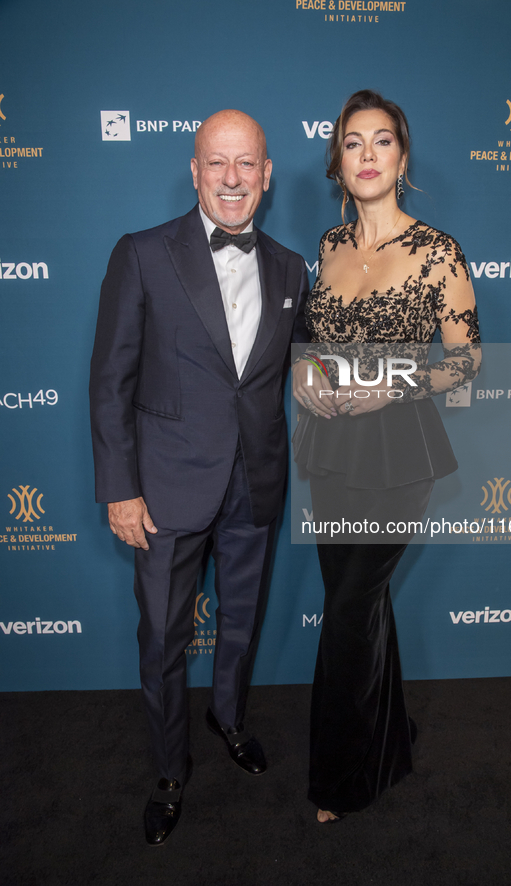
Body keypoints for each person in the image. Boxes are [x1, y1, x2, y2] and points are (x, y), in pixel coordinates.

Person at [90, 109, 308, 845]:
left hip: (256, 483)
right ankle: (170, 769)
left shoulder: (289, 267)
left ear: (267, 174)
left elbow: (309, 371)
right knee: (162, 638)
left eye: (246, 163)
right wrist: (119, 488)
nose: (232, 178)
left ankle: (231, 720)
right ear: (193, 170)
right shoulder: (143, 253)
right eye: (216, 163)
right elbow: (110, 380)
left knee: (240, 629)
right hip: (164, 490)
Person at [293, 90, 480, 822]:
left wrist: (390, 385)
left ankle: (340, 782)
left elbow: (465, 364)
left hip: (399, 452)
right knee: (361, 611)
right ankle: (390, 738)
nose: (366, 155)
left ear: (402, 158)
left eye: (381, 142)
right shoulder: (330, 247)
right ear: (336, 161)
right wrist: (308, 378)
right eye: (352, 143)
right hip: (331, 448)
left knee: (347, 612)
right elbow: (311, 348)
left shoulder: (438, 252)